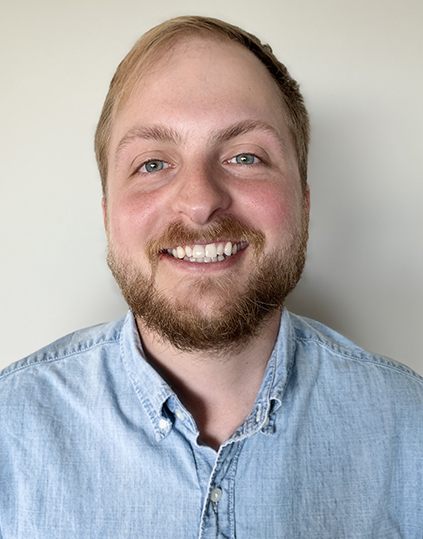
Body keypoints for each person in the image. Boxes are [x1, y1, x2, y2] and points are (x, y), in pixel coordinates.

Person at [1, 15, 422, 538]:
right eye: (153, 164)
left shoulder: (412, 431)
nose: (200, 202)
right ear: (108, 215)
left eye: (245, 156)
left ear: (304, 203)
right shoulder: (9, 433)